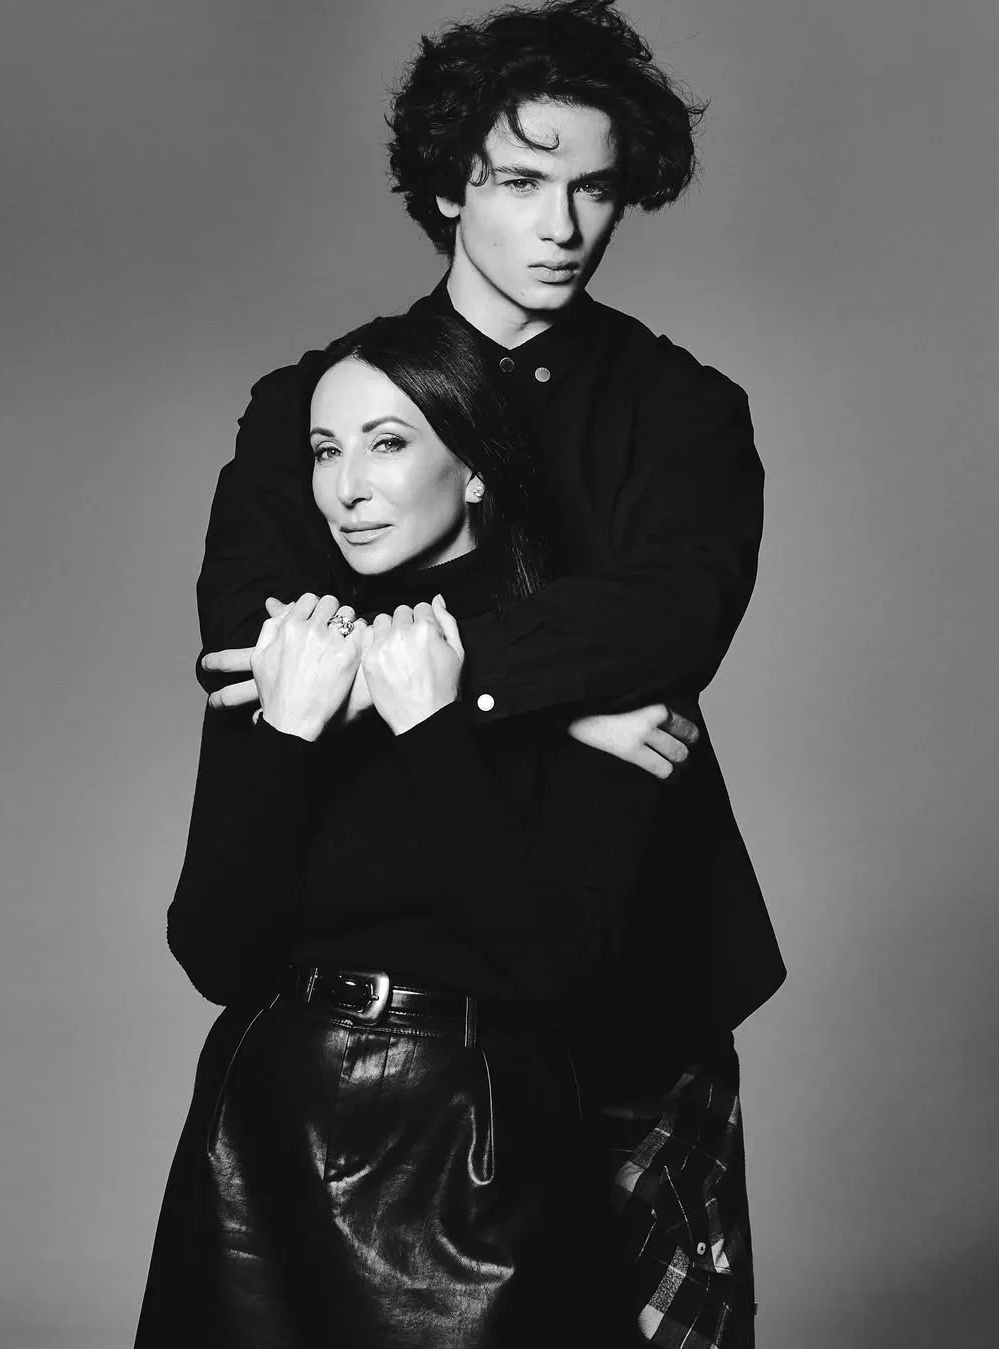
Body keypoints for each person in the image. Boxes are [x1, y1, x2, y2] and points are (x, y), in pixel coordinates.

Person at [194, 1, 785, 1342]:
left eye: (596, 189)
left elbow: (672, 622)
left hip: (637, 979)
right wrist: (559, 708)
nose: (563, 225)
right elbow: (251, 645)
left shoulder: (682, 410)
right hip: (385, 1013)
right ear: (452, 186)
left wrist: (426, 675)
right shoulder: (316, 406)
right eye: (522, 182)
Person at [137, 313, 673, 1347]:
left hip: (482, 1143)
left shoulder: (576, 660)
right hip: (262, 1136)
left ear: (474, 467)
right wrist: (288, 733)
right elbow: (216, 953)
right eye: (324, 450)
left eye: (387, 443)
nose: (346, 487)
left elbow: (558, 966)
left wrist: (436, 725)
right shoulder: (294, 648)